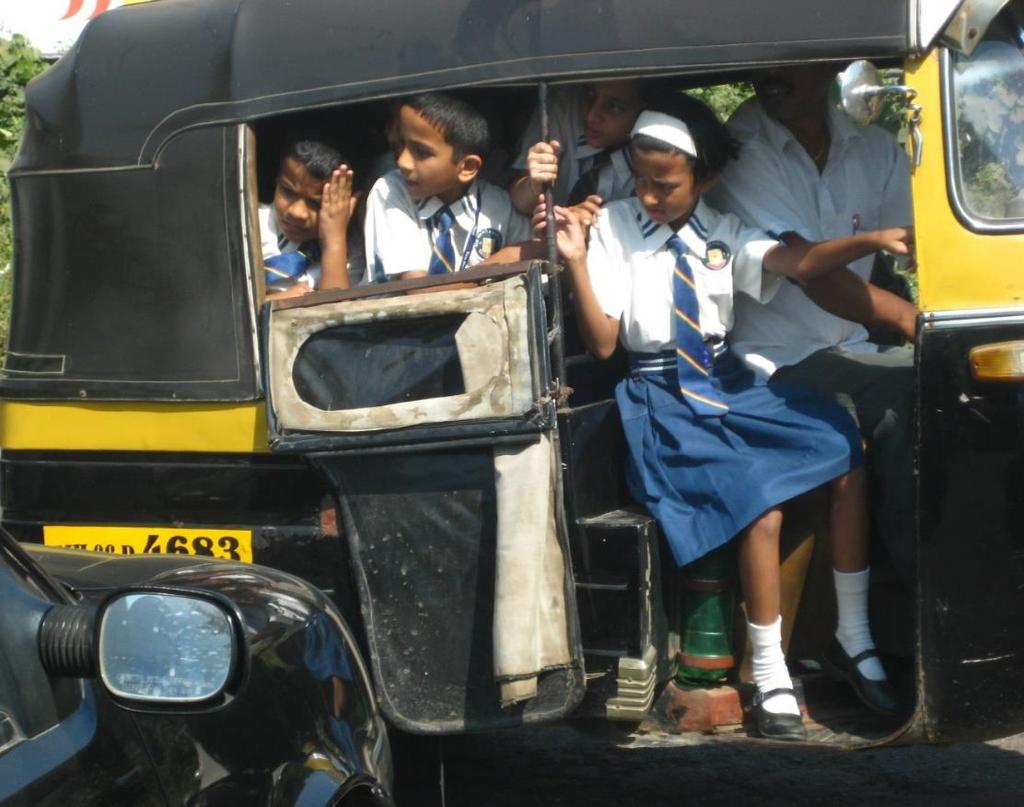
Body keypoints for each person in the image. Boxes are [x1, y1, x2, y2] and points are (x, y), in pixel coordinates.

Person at [540, 95, 906, 739]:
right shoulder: (615, 227)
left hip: (725, 380)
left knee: (843, 446)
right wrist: (574, 260)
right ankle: (769, 675)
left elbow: (796, 263)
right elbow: (603, 343)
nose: (650, 196)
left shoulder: (722, 233)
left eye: (667, 185)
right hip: (660, 396)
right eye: (643, 181)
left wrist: (866, 242)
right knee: (759, 502)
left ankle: (855, 634)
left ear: (704, 180)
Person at [705, 65, 917, 586]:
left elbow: (916, 252)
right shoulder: (741, 149)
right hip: (778, 364)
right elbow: (809, 272)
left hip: (855, 347)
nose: (768, 74)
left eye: (787, 61)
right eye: (761, 64)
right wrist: (915, 322)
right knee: (920, 391)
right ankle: (928, 596)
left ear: (829, 64)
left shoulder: (875, 149)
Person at [363, 92, 533, 282]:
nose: (403, 161)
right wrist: (503, 261)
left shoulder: (498, 205)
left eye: (421, 152)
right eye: (402, 145)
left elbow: (535, 251)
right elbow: (418, 289)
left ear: (467, 167)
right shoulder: (389, 191)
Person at [509, 80, 648, 226]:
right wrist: (532, 185)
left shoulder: (659, 159)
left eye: (614, 107)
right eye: (589, 94)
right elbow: (518, 202)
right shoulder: (562, 110)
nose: (591, 116)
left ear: (642, 112)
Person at [260, 137, 360, 298]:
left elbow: (334, 312)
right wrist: (277, 301)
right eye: (288, 191)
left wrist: (333, 242)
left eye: (317, 203)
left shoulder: (351, 253)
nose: (297, 212)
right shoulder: (253, 226)